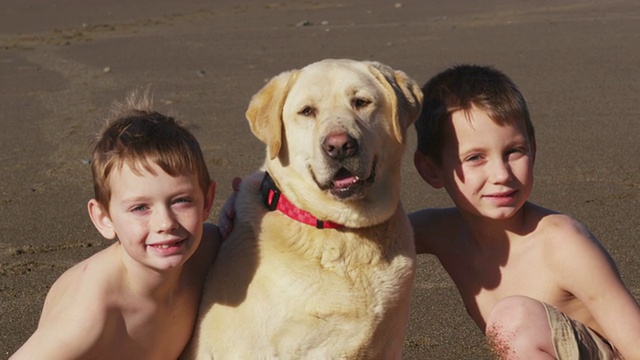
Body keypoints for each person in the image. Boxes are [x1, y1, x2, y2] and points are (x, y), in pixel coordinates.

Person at [411, 64, 640, 359]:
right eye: (475, 157)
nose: (501, 174)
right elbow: (361, 235)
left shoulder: (562, 243)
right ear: (431, 170)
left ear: (533, 147)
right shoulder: (441, 232)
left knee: (514, 320)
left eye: (514, 151)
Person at [11, 91, 221, 359]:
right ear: (103, 218)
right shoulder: (92, 312)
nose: (165, 223)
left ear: (207, 201)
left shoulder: (209, 251)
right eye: (140, 207)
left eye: (181, 201)